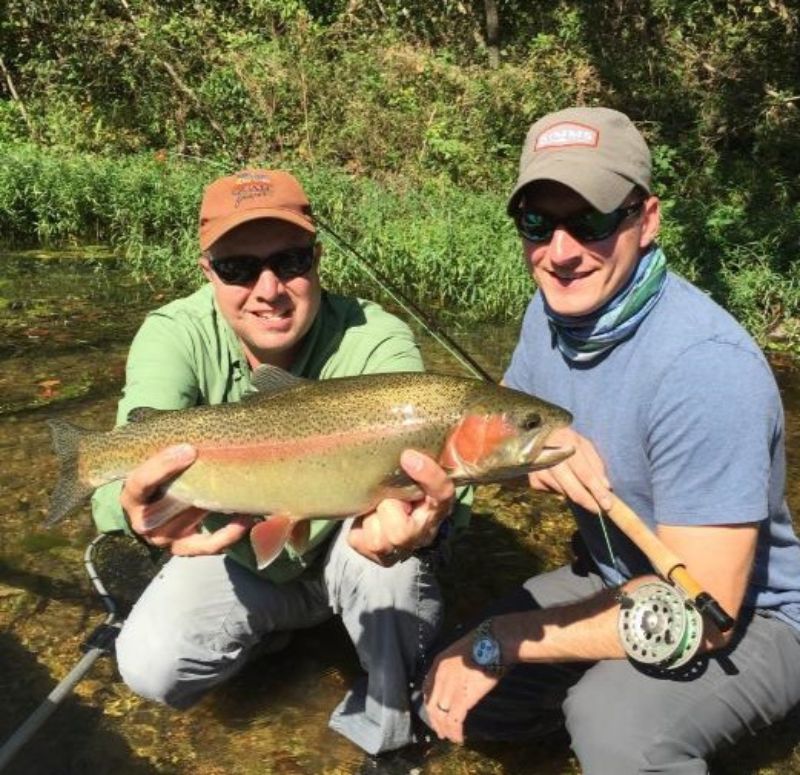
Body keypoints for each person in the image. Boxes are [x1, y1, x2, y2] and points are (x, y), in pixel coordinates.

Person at [421, 107, 800, 772]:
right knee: (456, 688)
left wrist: (509, 637)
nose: (560, 251)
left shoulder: (706, 369)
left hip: (749, 616)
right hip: (615, 572)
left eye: (590, 221)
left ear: (646, 219)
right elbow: (505, 451)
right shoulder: (549, 314)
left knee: (614, 728)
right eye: (537, 223)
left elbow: (701, 616)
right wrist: (524, 466)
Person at [91, 168, 463, 756]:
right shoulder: (173, 334)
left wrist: (430, 525)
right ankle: (277, 634)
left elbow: (449, 459)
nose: (269, 288)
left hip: (351, 549)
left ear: (317, 259)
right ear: (207, 270)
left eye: (289, 261)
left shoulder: (378, 338)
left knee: (389, 567)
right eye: (239, 268)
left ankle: (392, 731)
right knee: (149, 667)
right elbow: (126, 454)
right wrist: (137, 513)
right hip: (241, 556)